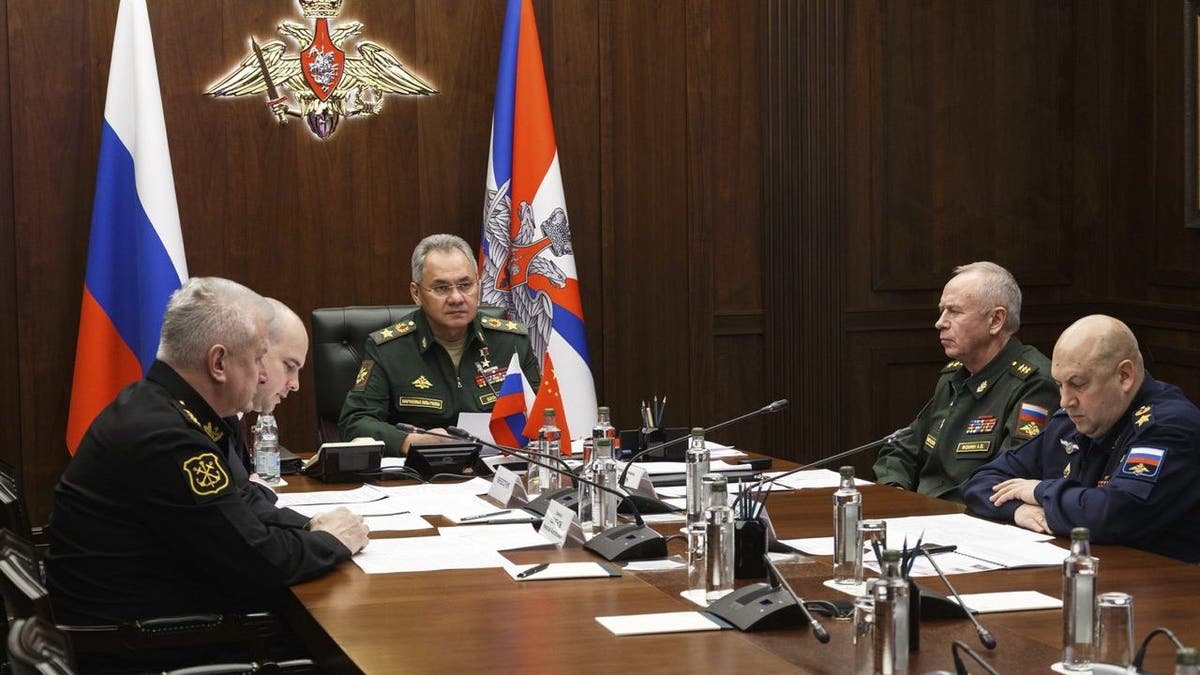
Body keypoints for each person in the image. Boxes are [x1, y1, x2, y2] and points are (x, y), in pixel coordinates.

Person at [47, 278, 369, 644]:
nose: (264, 373)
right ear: (218, 362)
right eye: (258, 356)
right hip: (138, 643)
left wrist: (309, 527)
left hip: (146, 620)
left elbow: (239, 506)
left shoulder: (163, 406)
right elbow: (258, 562)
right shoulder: (170, 438)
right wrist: (331, 540)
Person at [963, 315, 1200, 563]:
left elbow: (1111, 514)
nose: (1065, 401)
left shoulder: (1168, 427)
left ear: (1124, 376)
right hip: (1089, 573)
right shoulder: (1069, 422)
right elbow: (981, 482)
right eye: (1059, 385)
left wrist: (1038, 490)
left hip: (1166, 588)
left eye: (1078, 384)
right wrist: (1018, 509)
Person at [339, 233, 541, 455]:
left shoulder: (511, 342)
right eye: (442, 288)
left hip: (495, 473)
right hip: (420, 477)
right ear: (416, 294)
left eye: (465, 285)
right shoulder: (388, 349)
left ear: (479, 286)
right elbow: (355, 422)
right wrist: (409, 441)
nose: (456, 298)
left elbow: (542, 416)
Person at [872, 262, 1059, 502]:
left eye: (955, 311)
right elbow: (902, 449)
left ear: (996, 320)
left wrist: (923, 507)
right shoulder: (955, 375)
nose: (940, 322)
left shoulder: (1034, 383)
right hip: (923, 515)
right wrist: (894, 491)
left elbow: (1007, 479)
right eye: (941, 310)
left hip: (973, 520)